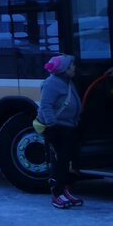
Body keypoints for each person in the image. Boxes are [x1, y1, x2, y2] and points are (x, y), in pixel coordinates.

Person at [34, 54, 84, 209]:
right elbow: (45, 106)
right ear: (64, 69)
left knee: (71, 160)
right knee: (59, 162)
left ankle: (66, 190)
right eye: (72, 66)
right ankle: (57, 193)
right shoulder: (51, 84)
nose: (74, 68)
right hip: (57, 129)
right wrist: (52, 125)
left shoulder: (67, 82)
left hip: (69, 127)